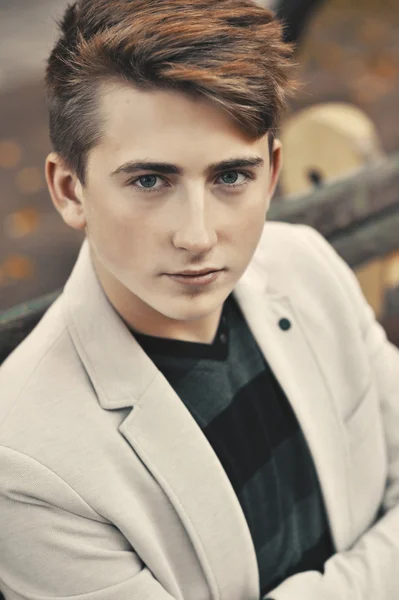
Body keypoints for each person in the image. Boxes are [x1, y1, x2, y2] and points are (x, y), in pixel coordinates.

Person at [0, 0, 398, 598]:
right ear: (69, 190)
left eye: (231, 177)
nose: (198, 235)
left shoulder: (306, 264)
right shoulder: (26, 461)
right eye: (150, 181)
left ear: (272, 171)